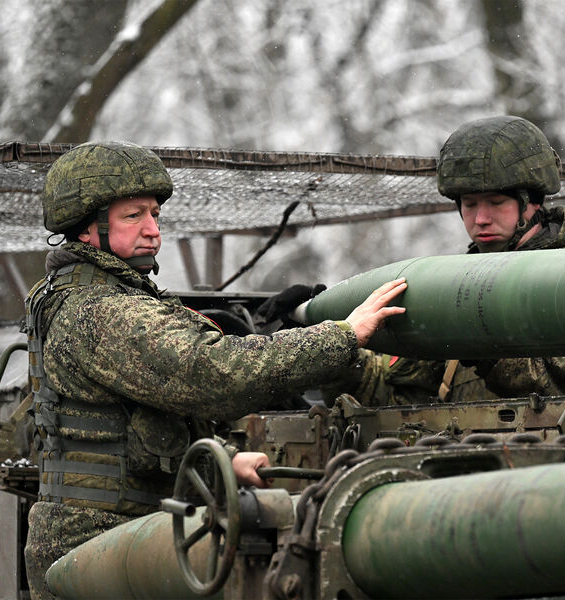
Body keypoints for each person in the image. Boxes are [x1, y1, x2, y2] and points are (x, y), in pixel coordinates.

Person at [22, 141, 407, 599]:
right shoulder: (102, 310)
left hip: (117, 537)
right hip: (101, 545)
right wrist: (343, 335)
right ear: (87, 229)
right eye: (133, 216)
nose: (152, 230)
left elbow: (134, 426)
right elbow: (216, 374)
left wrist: (219, 462)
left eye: (155, 215)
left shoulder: (91, 295)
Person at [433, 115, 565, 401]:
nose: (480, 219)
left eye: (495, 203)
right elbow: (404, 390)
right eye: (469, 205)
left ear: (532, 202)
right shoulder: (458, 286)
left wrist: (491, 356)